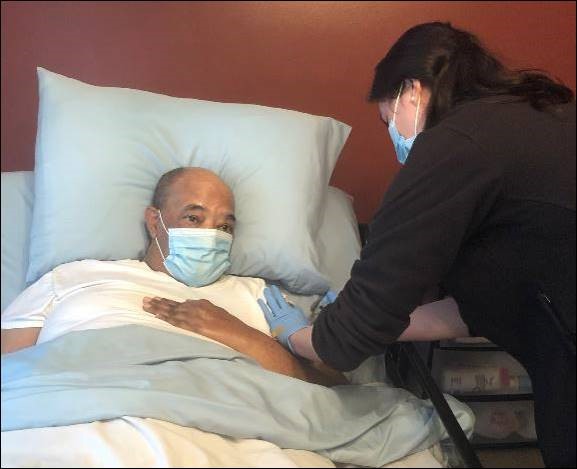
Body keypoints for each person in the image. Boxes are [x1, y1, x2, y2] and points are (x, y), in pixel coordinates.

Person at [259, 22, 575, 467]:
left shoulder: (453, 147)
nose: (393, 138)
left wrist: (301, 336)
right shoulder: (534, 118)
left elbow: (345, 343)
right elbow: (489, 301)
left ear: (412, 90)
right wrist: (389, 321)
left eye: (387, 119)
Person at [1, 167, 346, 386]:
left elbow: (332, 392)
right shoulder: (71, 278)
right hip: (76, 414)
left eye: (225, 226)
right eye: (193, 219)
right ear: (155, 221)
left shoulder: (260, 297)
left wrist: (240, 335)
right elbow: (9, 376)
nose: (212, 234)